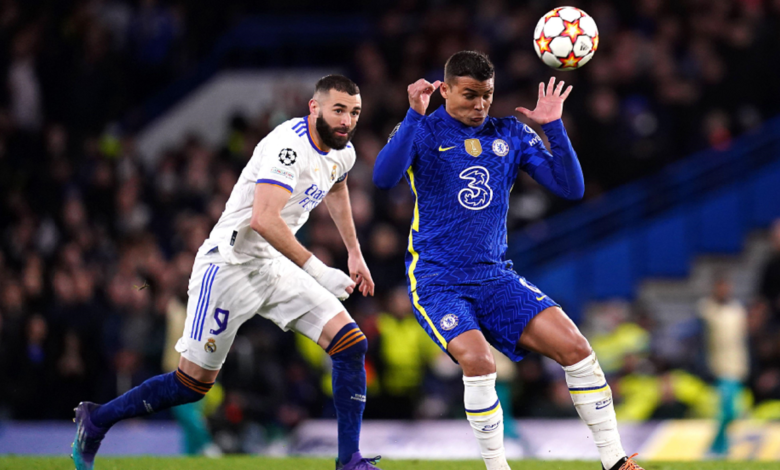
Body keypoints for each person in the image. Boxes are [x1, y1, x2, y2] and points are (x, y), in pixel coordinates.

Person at [72, 75, 381, 470]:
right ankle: (97, 420)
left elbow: (336, 185)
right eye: (339, 110)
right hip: (229, 266)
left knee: (350, 345)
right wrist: (319, 270)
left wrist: (354, 252)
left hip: (273, 264)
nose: (347, 120)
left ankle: (349, 461)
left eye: (354, 112)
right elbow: (264, 219)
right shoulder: (287, 148)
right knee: (191, 385)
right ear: (314, 107)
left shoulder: (343, 151)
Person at [372, 51, 643, 470]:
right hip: (439, 280)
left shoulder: (510, 133)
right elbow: (383, 178)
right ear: (445, 90)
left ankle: (616, 462)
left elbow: (570, 188)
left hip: (495, 278)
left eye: (487, 95)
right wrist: (412, 114)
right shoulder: (421, 130)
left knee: (576, 349)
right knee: (479, 361)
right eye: (470, 95)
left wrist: (552, 127)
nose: (480, 104)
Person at [697, 274, 749, 457]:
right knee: (728, 411)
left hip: (738, 368)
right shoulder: (708, 308)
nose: (724, 290)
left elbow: (742, 340)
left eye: (726, 286)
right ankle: (716, 448)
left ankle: (721, 447)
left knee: (733, 412)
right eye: (720, 287)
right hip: (720, 368)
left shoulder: (737, 310)